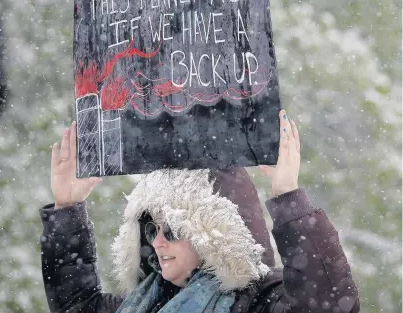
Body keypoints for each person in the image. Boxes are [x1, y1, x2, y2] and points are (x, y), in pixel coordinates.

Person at [40, 110, 360, 313]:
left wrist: (288, 195)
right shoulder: (145, 303)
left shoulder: (259, 302)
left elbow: (330, 306)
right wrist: (67, 208)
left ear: (212, 236)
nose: (158, 243)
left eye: (173, 230)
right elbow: (76, 306)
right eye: (153, 230)